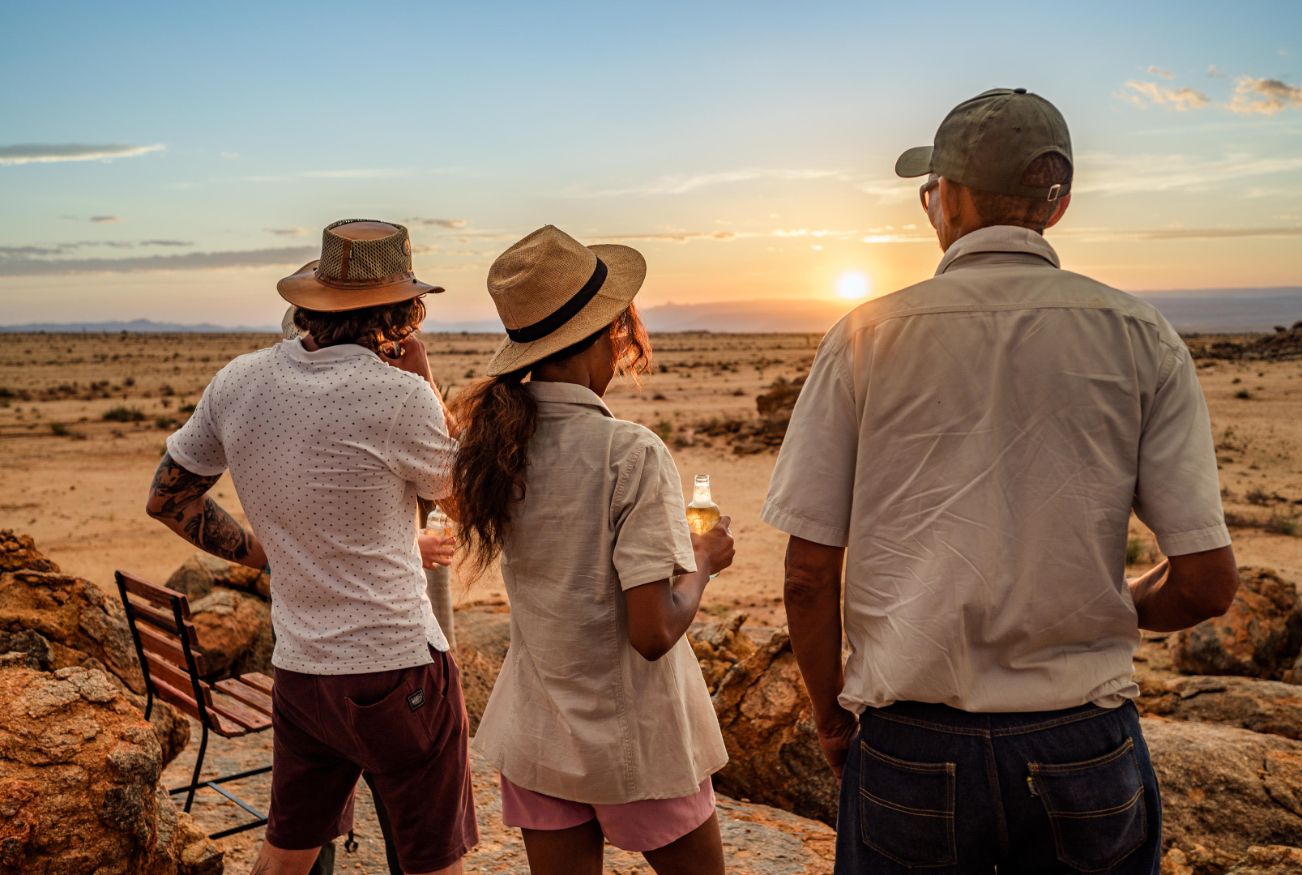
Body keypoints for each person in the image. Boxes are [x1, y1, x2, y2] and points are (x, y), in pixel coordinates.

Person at [762, 89, 1240, 874]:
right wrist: (1103, 605)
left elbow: (809, 574)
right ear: (1056, 206)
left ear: (944, 197)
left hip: (910, 740)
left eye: (930, 191)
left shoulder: (865, 335)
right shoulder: (1138, 334)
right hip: (1084, 742)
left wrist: (829, 717)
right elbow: (1207, 581)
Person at [146, 219, 476, 875]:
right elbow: (467, 503)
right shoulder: (398, 395)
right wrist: (428, 383)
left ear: (313, 301)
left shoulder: (238, 380)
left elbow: (168, 497)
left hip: (300, 670)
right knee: (431, 863)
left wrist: (262, 552)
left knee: (283, 859)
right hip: (398, 666)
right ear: (403, 312)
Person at [450, 225, 733, 875]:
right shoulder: (627, 452)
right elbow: (653, 629)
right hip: (637, 743)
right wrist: (704, 564)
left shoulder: (495, 448)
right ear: (610, 333)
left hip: (540, 737)